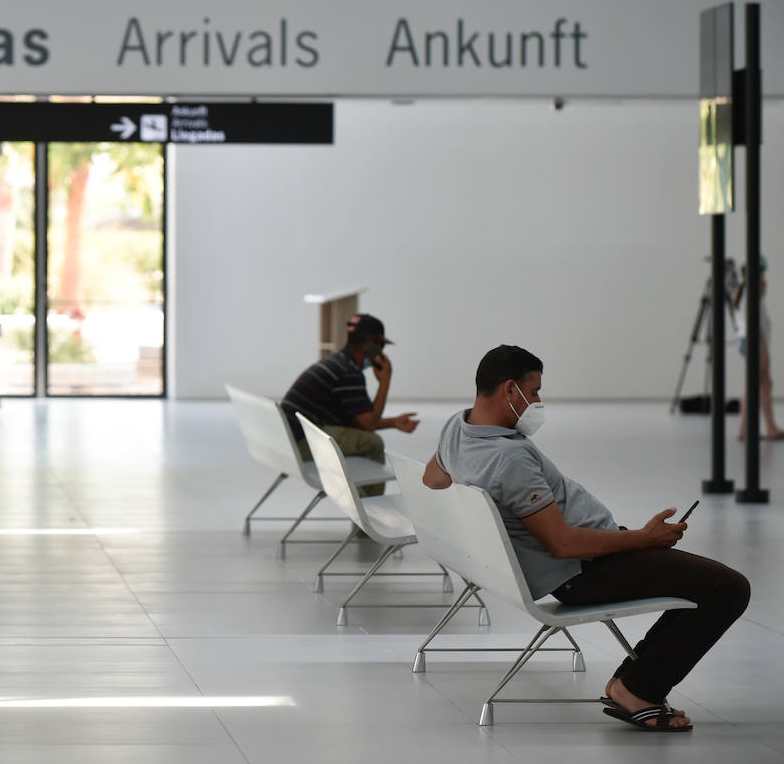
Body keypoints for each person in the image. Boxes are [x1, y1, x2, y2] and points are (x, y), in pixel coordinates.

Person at [423, 345, 750, 733]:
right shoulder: (508, 459)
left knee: (698, 581)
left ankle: (633, 682)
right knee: (728, 588)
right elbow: (563, 545)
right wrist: (645, 538)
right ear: (510, 390)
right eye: (534, 391)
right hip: (584, 571)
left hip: (585, 558)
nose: (537, 402)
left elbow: (432, 478)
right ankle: (637, 689)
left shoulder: (458, 428)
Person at [281, 313, 418, 492]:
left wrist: (394, 422)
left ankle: (361, 500)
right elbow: (368, 425)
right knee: (373, 443)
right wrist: (385, 380)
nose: (382, 352)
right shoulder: (349, 372)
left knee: (363, 438)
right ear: (370, 345)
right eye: (381, 345)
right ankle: (370, 507)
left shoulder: (338, 363)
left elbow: (357, 422)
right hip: (299, 444)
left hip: (286, 440)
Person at [733, 257, 782, 441]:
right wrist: (762, 347)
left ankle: (765, 426)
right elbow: (751, 322)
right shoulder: (748, 292)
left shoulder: (747, 291)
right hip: (754, 341)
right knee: (758, 384)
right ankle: (756, 428)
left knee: (763, 383)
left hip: (752, 341)